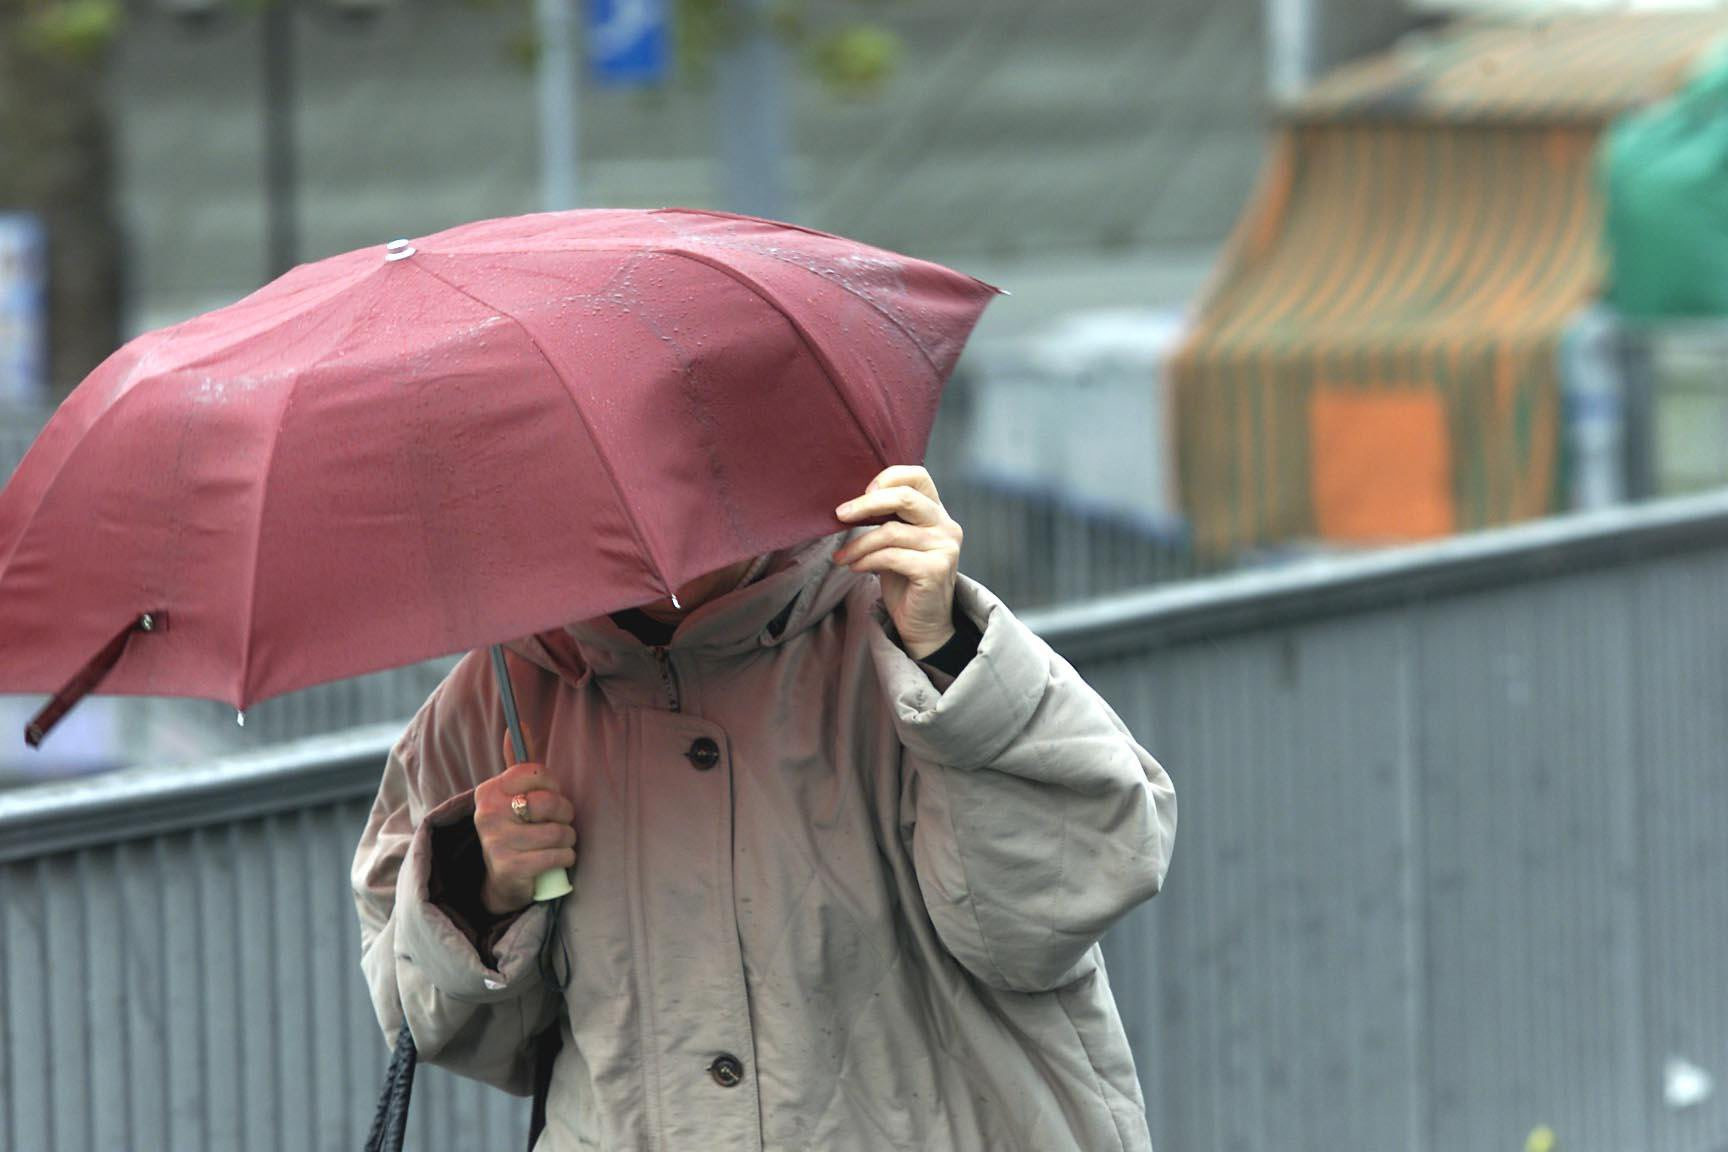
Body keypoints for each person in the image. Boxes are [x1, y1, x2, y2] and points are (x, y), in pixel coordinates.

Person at [351, 464, 1177, 1151]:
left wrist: (955, 667)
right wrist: (481, 888)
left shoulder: (896, 628)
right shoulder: (497, 695)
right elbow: (438, 1023)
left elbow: (1053, 908)